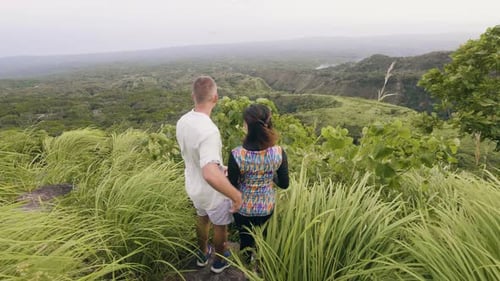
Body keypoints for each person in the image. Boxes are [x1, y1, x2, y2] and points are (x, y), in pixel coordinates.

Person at [176, 75, 242, 273]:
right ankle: (220, 261)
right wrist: (235, 195)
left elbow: (197, 158)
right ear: (215, 98)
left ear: (193, 97)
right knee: (220, 226)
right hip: (211, 191)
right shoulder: (209, 131)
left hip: (193, 186)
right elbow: (209, 174)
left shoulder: (183, 121)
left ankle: (202, 253)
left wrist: (217, 166)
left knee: (201, 217)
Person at [227, 104, 289, 263]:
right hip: (266, 207)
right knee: (264, 243)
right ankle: (261, 268)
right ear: (268, 123)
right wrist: (270, 176)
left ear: (246, 125)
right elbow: (284, 184)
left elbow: (231, 185)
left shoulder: (237, 154)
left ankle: (246, 267)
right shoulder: (278, 153)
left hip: (243, 208)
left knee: (245, 241)